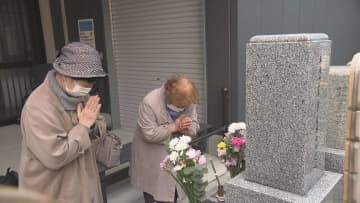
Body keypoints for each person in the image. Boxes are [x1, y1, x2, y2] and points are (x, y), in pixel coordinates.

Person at [19, 42, 107, 203]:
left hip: (84, 183)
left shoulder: (78, 95)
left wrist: (92, 125)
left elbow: (98, 124)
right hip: (55, 190)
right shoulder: (39, 107)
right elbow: (55, 156)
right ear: (65, 75)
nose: (87, 89)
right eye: (85, 84)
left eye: (91, 84)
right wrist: (83, 126)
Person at [130, 76, 200, 203]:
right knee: (152, 192)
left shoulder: (188, 99)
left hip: (177, 155)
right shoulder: (150, 102)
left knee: (175, 191)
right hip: (152, 155)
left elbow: (194, 128)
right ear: (169, 96)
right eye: (179, 106)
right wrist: (174, 127)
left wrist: (187, 128)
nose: (183, 108)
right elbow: (149, 134)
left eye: (185, 106)